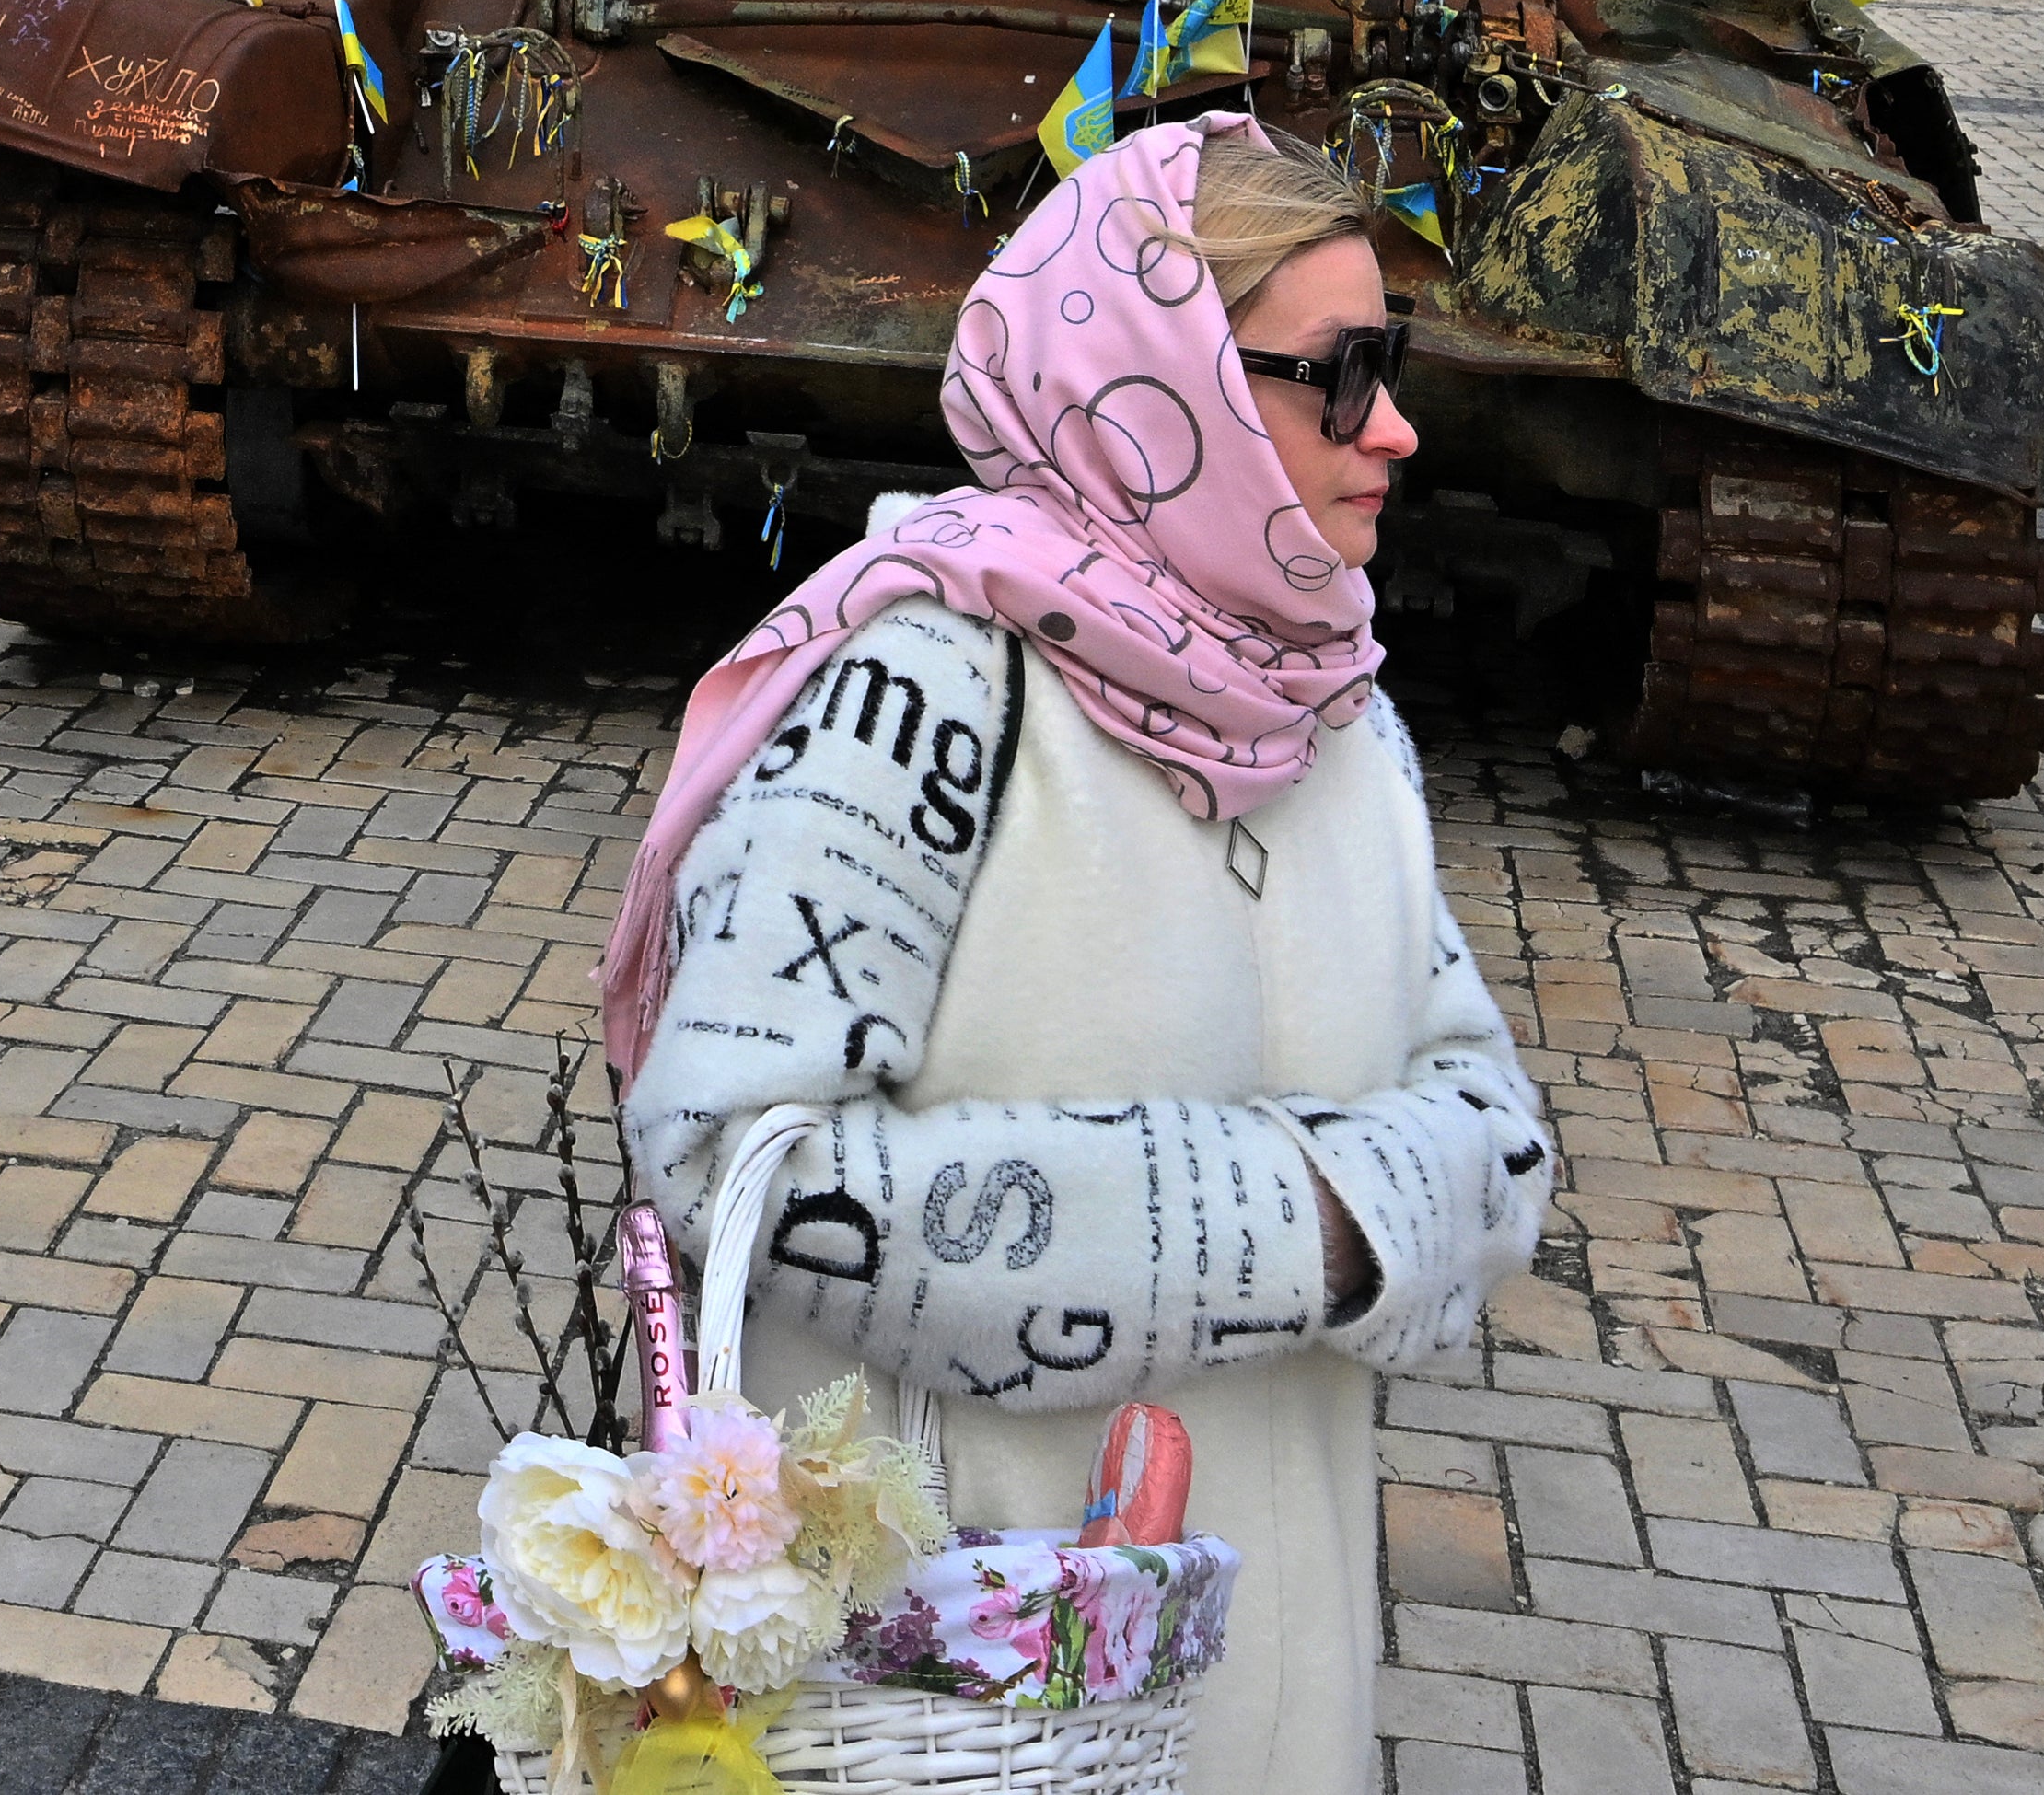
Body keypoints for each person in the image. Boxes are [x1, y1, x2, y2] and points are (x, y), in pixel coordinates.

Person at [607, 120, 1558, 1795]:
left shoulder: (1335, 707)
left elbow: (1495, 1125)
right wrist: (1312, 1223)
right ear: (1162, 377)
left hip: (1263, 1684)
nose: (1393, 426)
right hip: (949, 1686)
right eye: (1339, 373)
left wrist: (1357, 1207)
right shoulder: (925, 692)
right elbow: (725, 1146)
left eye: (1390, 367)